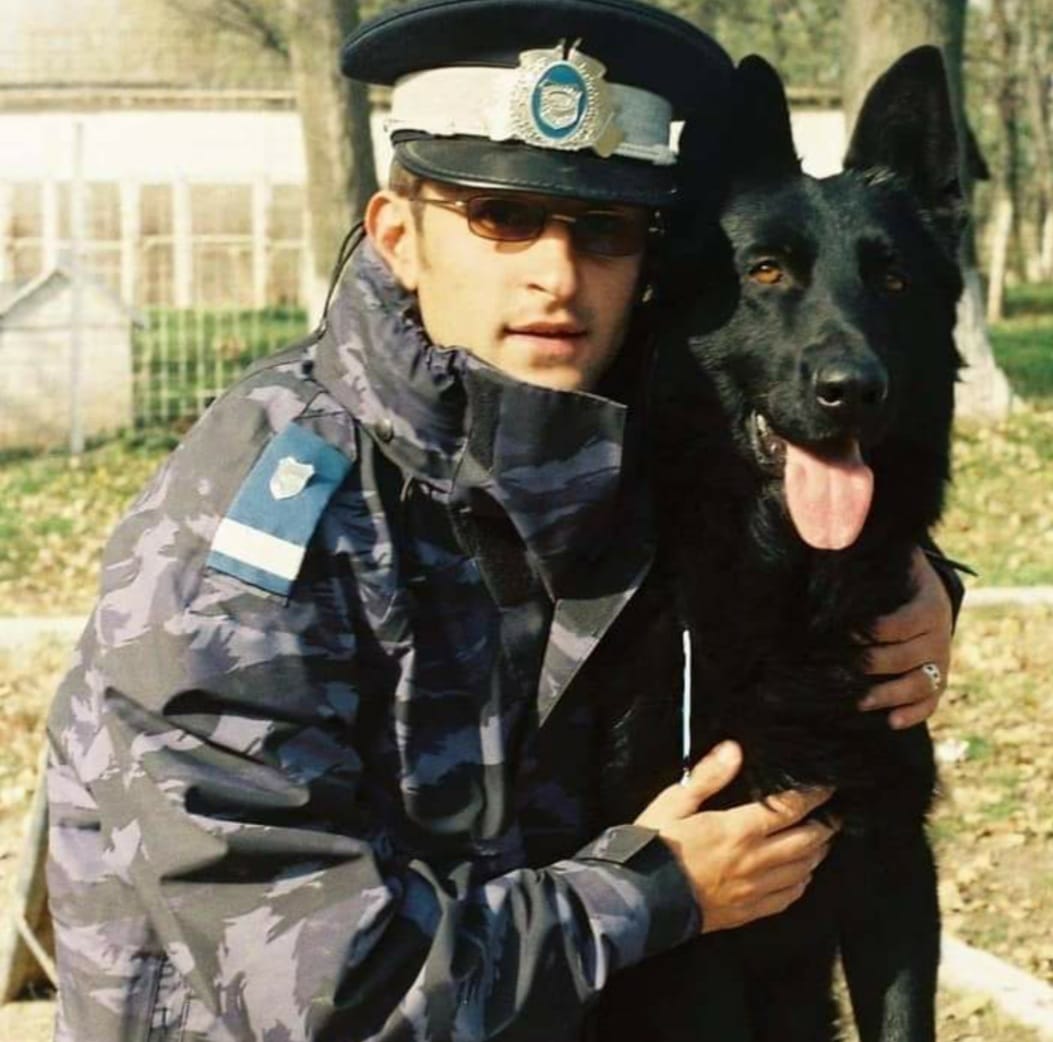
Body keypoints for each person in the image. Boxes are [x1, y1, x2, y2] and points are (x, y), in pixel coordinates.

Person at [45, 1, 958, 1039]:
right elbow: (311, 988)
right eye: (502, 218)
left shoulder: (600, 435)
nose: (555, 277)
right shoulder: (252, 527)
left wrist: (909, 582)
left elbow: (772, 502)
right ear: (398, 237)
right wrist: (653, 892)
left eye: (602, 231)